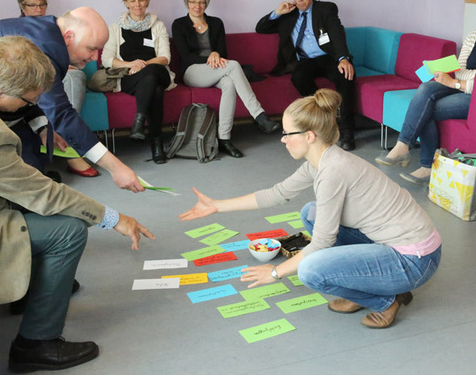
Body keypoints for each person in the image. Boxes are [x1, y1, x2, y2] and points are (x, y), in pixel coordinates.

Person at [0, 36, 154, 372]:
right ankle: (36, 344)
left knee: (52, 191)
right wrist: (113, 217)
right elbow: (42, 194)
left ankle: (34, 289)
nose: (32, 104)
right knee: (69, 229)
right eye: (28, 99)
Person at [180, 88, 441, 329]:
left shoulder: (332, 172)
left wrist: (275, 272)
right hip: (400, 246)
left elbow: (321, 244)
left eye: (287, 134)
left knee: (310, 271)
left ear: (309, 136)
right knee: (310, 212)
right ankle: (373, 284)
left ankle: (385, 301)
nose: (282, 140)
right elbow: (278, 193)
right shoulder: (322, 159)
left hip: (414, 261)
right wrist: (217, 206)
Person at [0, 7, 146, 193]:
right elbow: (61, 114)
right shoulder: (47, 48)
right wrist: (116, 167)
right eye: (91, 48)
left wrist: (42, 127)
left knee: (35, 160)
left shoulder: (49, 32)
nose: (95, 57)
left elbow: (32, 95)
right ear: (69, 37)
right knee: (25, 171)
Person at [376, 0, 476, 184]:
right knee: (425, 89)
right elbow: (461, 67)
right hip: (463, 86)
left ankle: (425, 165)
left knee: (426, 108)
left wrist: (458, 82)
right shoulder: (474, 36)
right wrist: (464, 78)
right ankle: (403, 145)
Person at [172, 0, 280, 158]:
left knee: (229, 83)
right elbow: (186, 56)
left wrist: (215, 54)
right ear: (187, 3)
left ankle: (224, 138)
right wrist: (210, 58)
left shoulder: (216, 23)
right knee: (234, 65)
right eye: (193, 2)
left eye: (201, 2)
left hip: (216, 70)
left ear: (206, 3)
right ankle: (259, 116)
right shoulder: (179, 24)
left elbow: (223, 53)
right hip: (193, 72)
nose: (197, 6)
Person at [255, 0, 357, 151]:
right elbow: (261, 28)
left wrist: (343, 58)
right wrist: (277, 12)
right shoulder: (288, 14)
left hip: (328, 56)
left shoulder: (326, 9)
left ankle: (347, 130)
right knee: (299, 77)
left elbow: (337, 32)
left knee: (346, 75)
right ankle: (325, 116)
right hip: (305, 61)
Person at [17, 0, 98, 177]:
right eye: (32, 5)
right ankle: (70, 147)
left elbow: (68, 54)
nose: (38, 9)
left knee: (75, 76)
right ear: (22, 7)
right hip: (31, 78)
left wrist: (65, 63)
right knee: (47, 84)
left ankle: (66, 135)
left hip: (62, 71)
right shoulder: (17, 30)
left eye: (41, 4)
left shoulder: (55, 29)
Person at [102, 0, 176, 164]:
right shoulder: (115, 28)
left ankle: (139, 119)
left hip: (159, 72)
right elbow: (106, 59)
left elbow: (165, 58)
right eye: (132, 0)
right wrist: (130, 65)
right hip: (130, 77)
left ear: (147, 2)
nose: (137, 4)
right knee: (155, 90)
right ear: (126, 3)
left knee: (152, 73)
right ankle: (156, 143)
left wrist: (143, 65)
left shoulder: (158, 26)